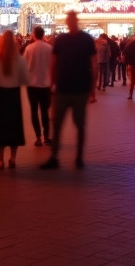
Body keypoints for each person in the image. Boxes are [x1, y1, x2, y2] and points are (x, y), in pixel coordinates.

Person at [41, 10, 97, 170]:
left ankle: (79, 157)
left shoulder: (86, 39)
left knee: (79, 124)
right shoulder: (61, 40)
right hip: (62, 88)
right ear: (67, 21)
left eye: (72, 19)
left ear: (75, 20)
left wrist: (92, 90)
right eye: (68, 19)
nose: (70, 21)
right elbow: (53, 63)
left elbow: (93, 65)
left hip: (80, 89)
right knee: (57, 123)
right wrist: (52, 85)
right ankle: (54, 157)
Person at [0, 31, 29, 169]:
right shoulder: (20, 59)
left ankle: (0, 159)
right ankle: (13, 158)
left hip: (0, 96)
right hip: (14, 96)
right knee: (14, 128)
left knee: (0, 128)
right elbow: (25, 79)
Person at [24, 26, 53, 145]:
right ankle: (46, 136)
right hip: (46, 84)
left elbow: (24, 65)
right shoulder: (49, 48)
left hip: (32, 84)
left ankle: (38, 137)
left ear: (34, 35)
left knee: (34, 111)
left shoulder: (29, 48)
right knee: (45, 111)